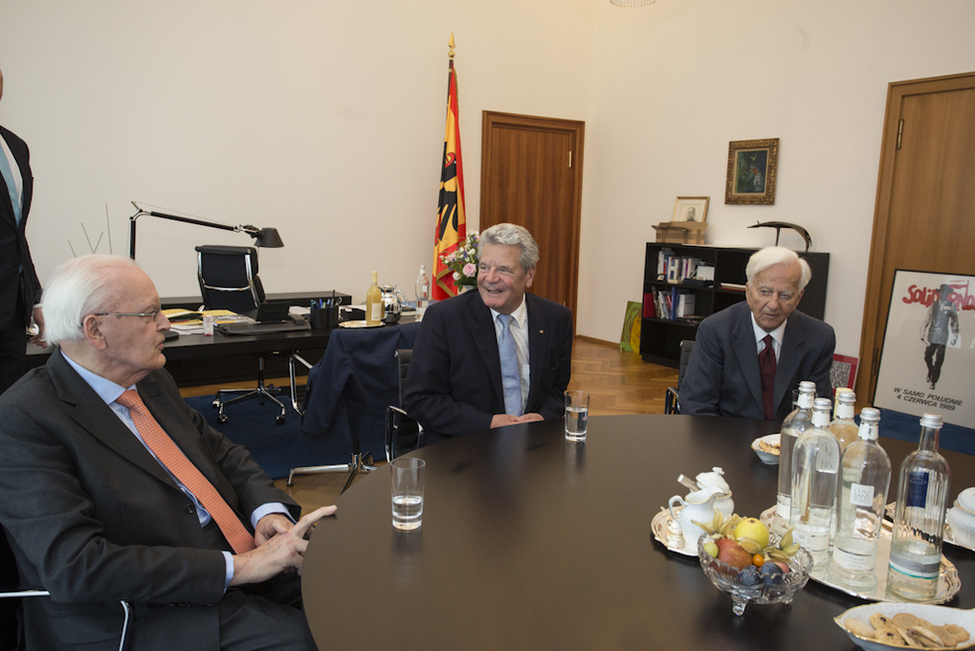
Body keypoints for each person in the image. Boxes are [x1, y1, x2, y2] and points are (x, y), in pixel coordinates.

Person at [0, 255, 333, 651]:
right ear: (95, 329)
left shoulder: (151, 378)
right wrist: (238, 568)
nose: (166, 325)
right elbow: (76, 565)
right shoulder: (24, 418)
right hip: (147, 608)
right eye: (150, 313)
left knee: (358, 594)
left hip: (239, 558)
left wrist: (267, 511)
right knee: (318, 639)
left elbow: (222, 452)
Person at [403, 223, 572, 442]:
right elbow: (420, 399)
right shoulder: (444, 319)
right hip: (462, 449)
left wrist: (542, 417)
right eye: (484, 268)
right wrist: (488, 423)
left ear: (529, 275)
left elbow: (557, 390)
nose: (490, 278)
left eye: (503, 269)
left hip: (533, 448)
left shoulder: (556, 319)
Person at [679, 246, 835, 421]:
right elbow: (696, 405)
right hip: (727, 438)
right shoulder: (715, 330)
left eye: (785, 295)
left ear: (799, 297)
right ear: (748, 291)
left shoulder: (820, 337)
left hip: (786, 440)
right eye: (764, 292)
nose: (773, 304)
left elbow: (821, 409)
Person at [0, 64, 45, 395]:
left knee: (10, 408)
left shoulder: (15, 146)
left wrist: (37, 298)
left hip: (12, 309)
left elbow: (17, 234)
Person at [920, 283, 959, 391]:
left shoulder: (951, 305)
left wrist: (954, 336)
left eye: (944, 293)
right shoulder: (934, 304)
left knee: (939, 360)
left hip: (942, 336)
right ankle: (930, 370)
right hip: (932, 335)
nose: (942, 295)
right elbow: (926, 318)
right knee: (927, 356)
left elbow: (954, 322)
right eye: (941, 293)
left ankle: (933, 381)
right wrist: (922, 333)